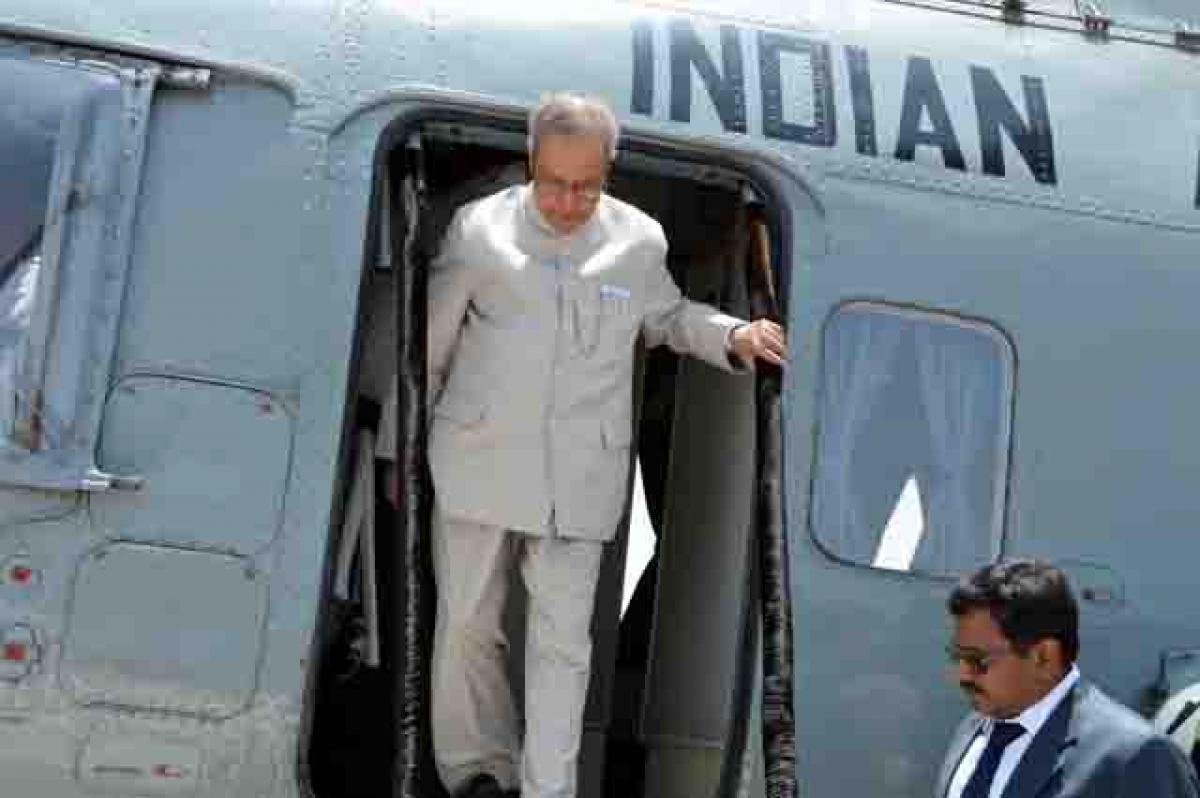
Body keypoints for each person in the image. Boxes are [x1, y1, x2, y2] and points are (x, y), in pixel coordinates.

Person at [377, 92, 786, 798]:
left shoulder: (638, 242)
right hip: (477, 458)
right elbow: (429, 347)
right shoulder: (479, 232)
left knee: (564, 648)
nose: (569, 202)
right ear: (533, 162)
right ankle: (478, 771)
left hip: (582, 478)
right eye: (556, 184)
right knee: (469, 625)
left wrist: (733, 336)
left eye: (587, 187)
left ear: (608, 171)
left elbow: (667, 318)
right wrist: (397, 449)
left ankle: (548, 789)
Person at [937, 559, 1199, 798]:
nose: (961, 674)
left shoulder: (1136, 757)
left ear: (1043, 656)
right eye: (956, 657)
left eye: (976, 660)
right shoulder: (975, 728)